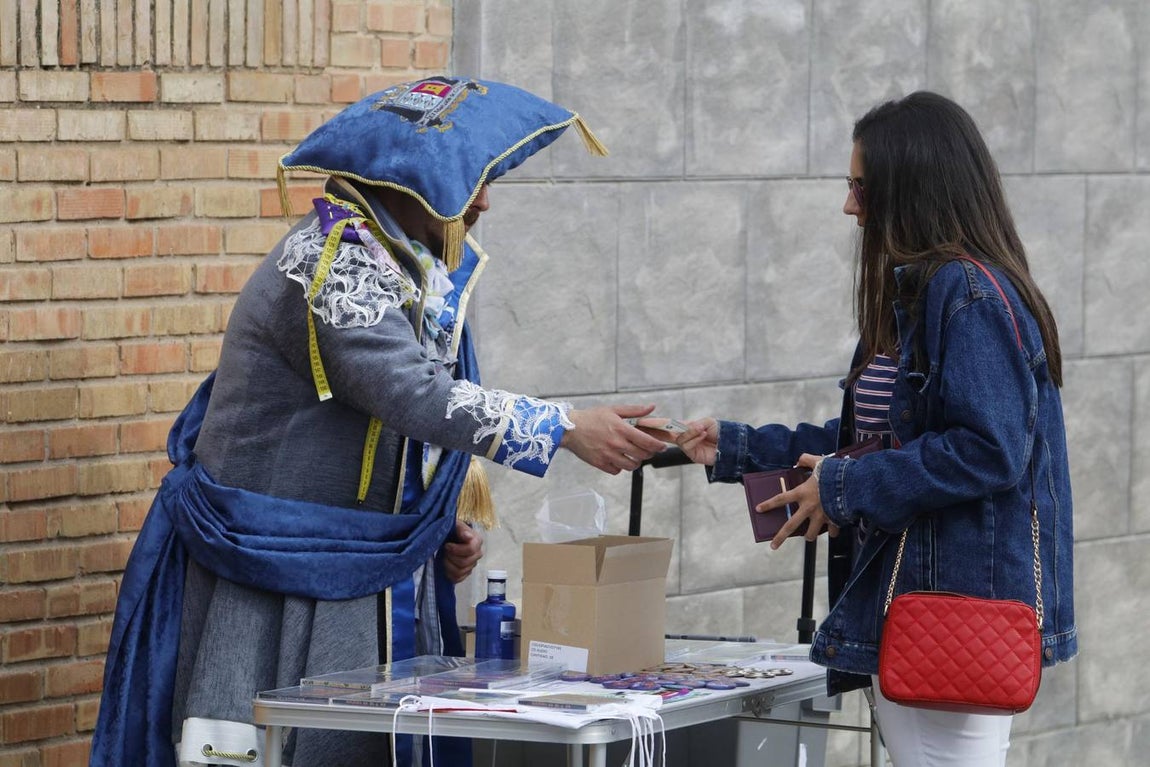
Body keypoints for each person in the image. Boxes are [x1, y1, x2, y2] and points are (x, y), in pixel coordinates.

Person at [90, 78, 671, 767]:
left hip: (357, 567)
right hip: (278, 574)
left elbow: (404, 425)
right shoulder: (331, 259)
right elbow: (412, 393)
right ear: (414, 182)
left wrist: (432, 527)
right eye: (471, 180)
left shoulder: (401, 262)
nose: (482, 199)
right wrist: (563, 427)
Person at [673, 91, 1076, 766]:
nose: (849, 205)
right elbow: (875, 438)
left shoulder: (965, 294)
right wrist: (740, 447)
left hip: (952, 619)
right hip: (924, 616)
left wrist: (845, 486)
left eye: (861, 185)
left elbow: (988, 449)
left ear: (908, 188)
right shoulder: (920, 295)